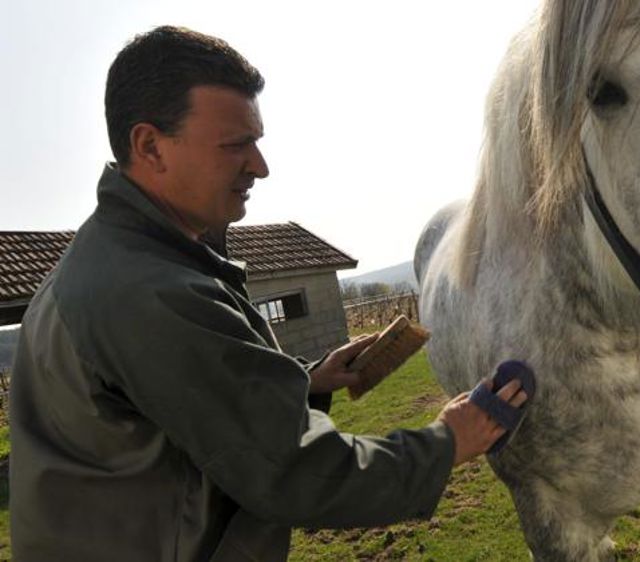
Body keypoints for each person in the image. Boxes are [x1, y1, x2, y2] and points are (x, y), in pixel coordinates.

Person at [9, 26, 526, 562]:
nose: (260, 165)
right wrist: (448, 443)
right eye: (236, 145)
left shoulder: (111, 263)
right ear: (149, 146)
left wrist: (306, 383)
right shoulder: (148, 291)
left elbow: (177, 410)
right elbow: (296, 472)